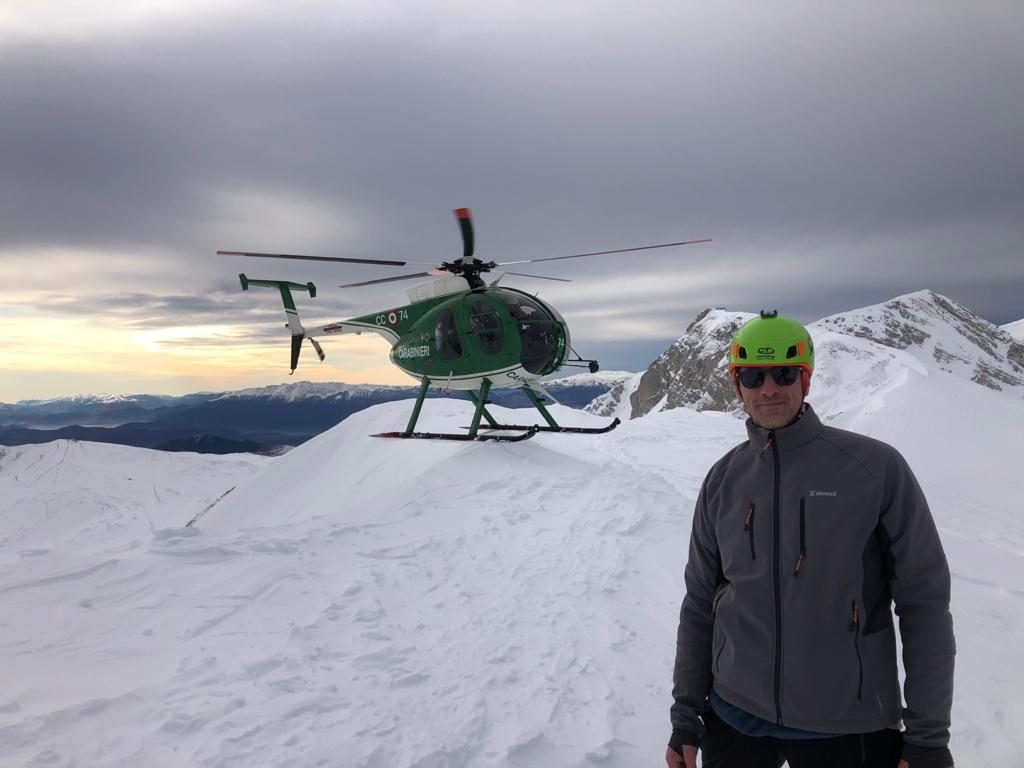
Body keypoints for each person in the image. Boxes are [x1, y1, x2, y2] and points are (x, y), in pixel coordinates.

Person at [665, 311, 955, 768]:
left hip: (846, 725)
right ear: (735, 386)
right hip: (732, 717)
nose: (769, 389)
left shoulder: (874, 469)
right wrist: (686, 717)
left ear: (806, 379)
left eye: (784, 373)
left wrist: (928, 738)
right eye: (753, 376)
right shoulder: (724, 478)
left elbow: (925, 603)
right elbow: (701, 602)